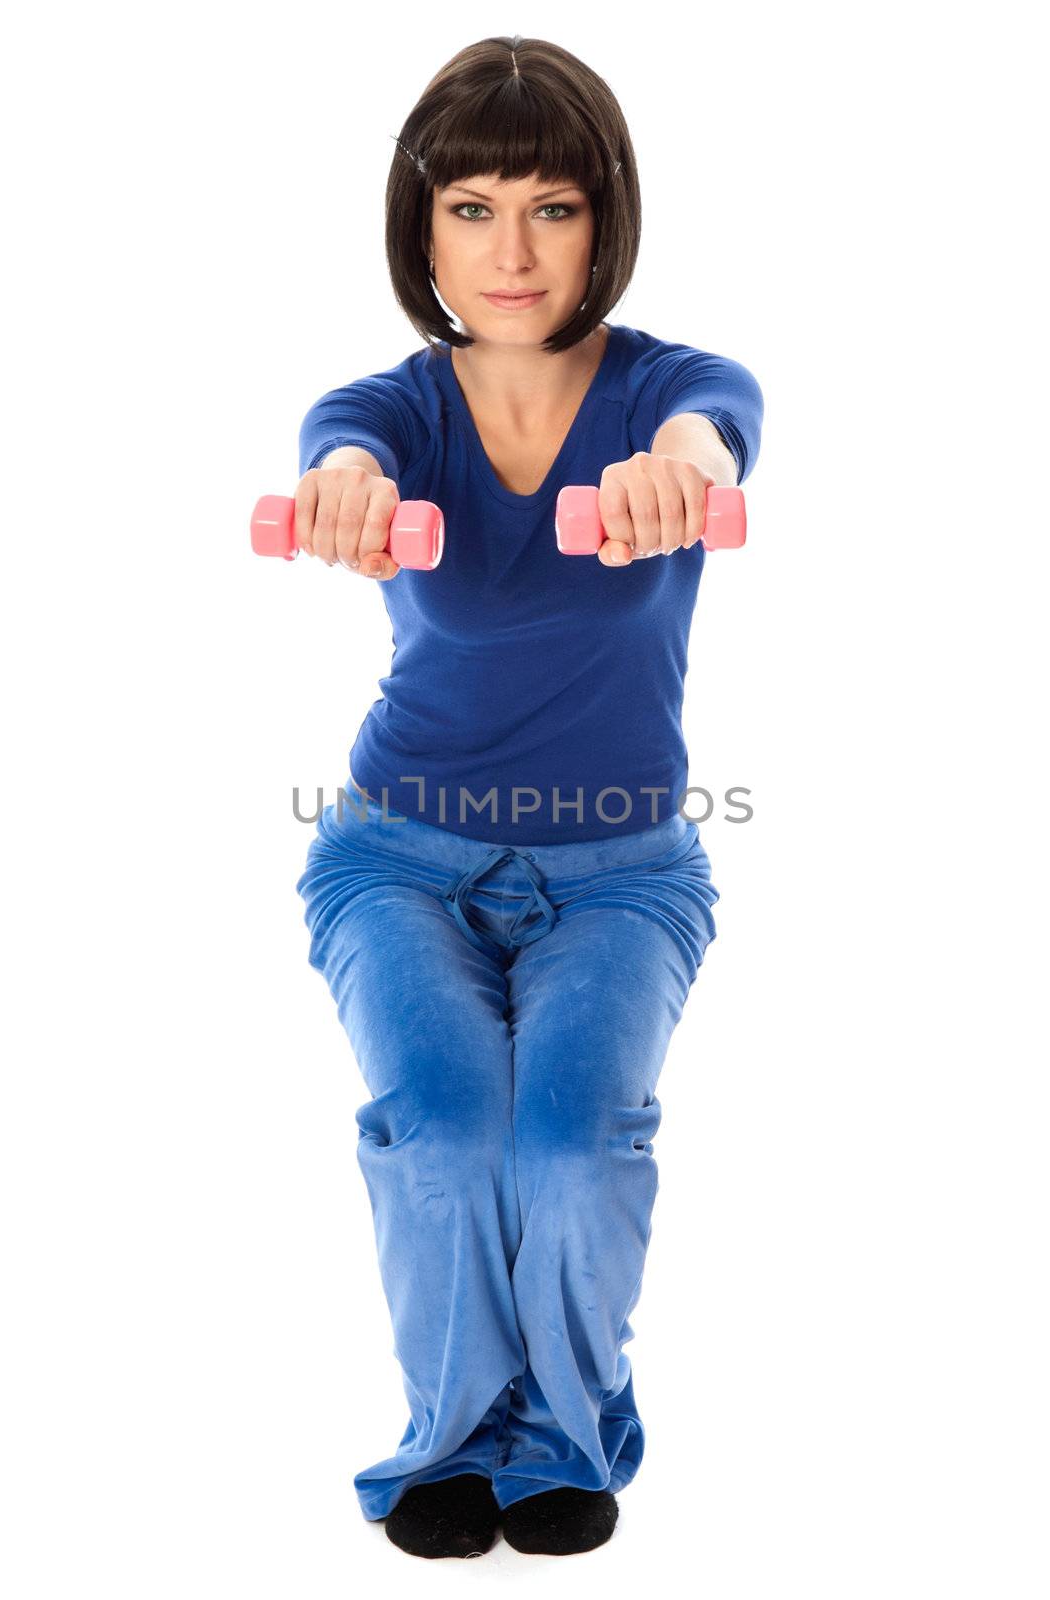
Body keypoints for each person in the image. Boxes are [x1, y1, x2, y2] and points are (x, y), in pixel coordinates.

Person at [293, 34, 763, 1560]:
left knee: (564, 1149)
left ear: (601, 219)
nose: (512, 250)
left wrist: (677, 472)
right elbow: (341, 450)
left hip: (620, 872)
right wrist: (345, 493)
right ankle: (450, 1441)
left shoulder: (670, 391)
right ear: (420, 225)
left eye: (552, 208)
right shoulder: (390, 409)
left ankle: (562, 1437)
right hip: (395, 862)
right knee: (441, 1135)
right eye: (473, 207)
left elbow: (720, 421)